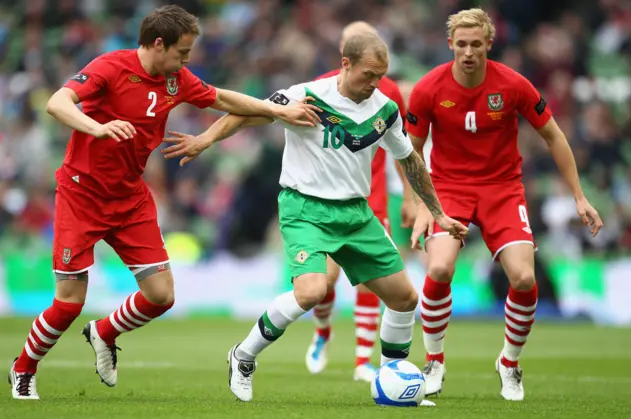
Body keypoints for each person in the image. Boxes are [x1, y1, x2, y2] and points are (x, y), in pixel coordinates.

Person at [8, 5, 320, 401]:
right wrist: (98, 128)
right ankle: (23, 369)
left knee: (161, 296)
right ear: (158, 44)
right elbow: (58, 102)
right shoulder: (109, 67)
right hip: (81, 194)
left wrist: (279, 110)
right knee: (69, 303)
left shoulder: (176, 79)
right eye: (182, 52)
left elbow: (223, 98)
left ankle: (105, 331)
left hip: (130, 197)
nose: (187, 61)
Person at [162, 31, 468, 402]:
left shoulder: (385, 109)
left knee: (404, 299)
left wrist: (437, 212)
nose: (374, 83)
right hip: (305, 209)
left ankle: (394, 383)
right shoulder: (306, 96)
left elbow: (411, 161)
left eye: (380, 75)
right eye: (368, 74)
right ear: (345, 63)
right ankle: (243, 355)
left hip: (356, 214)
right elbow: (247, 113)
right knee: (311, 291)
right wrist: (205, 140)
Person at [406, 8, 603, 401]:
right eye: (460, 45)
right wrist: (421, 206)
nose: (467, 53)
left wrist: (579, 196)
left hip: (503, 190)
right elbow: (409, 149)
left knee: (525, 279)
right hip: (448, 188)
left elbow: (555, 136)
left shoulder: (513, 84)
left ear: (488, 45)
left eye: (475, 45)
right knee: (441, 266)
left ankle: (509, 363)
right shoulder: (429, 88)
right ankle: (434, 361)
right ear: (450, 45)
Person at [304, 21, 412, 383]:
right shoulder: (319, 86)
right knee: (327, 280)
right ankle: (322, 331)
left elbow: (402, 148)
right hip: (329, 199)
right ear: (344, 53)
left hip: (373, 198)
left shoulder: (388, 90)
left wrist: (410, 197)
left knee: (370, 280)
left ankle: (363, 361)